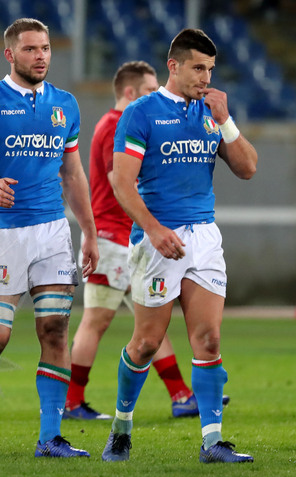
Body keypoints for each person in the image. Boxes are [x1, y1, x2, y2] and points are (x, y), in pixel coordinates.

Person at [101, 28, 257, 464]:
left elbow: (247, 168)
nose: (205, 77)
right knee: (147, 343)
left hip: (204, 236)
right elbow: (122, 183)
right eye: (197, 68)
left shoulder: (212, 112)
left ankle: (212, 441)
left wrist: (225, 119)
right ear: (173, 66)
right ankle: (121, 428)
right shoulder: (142, 112)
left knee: (207, 339)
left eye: (210, 69)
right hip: (157, 240)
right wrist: (152, 228)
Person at [0, 18, 98, 458]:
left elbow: (72, 173)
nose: (41, 56)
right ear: (10, 55)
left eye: (46, 48)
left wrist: (89, 232)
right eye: (31, 49)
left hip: (52, 231)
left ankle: (49, 437)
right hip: (2, 232)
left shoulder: (65, 104)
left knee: (55, 329)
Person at [66, 61, 219, 420]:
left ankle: (181, 394)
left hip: (127, 238)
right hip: (115, 237)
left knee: (151, 326)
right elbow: (121, 180)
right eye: (149, 90)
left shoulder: (120, 123)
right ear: (130, 92)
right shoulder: (116, 125)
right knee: (96, 321)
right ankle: (71, 401)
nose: (156, 96)